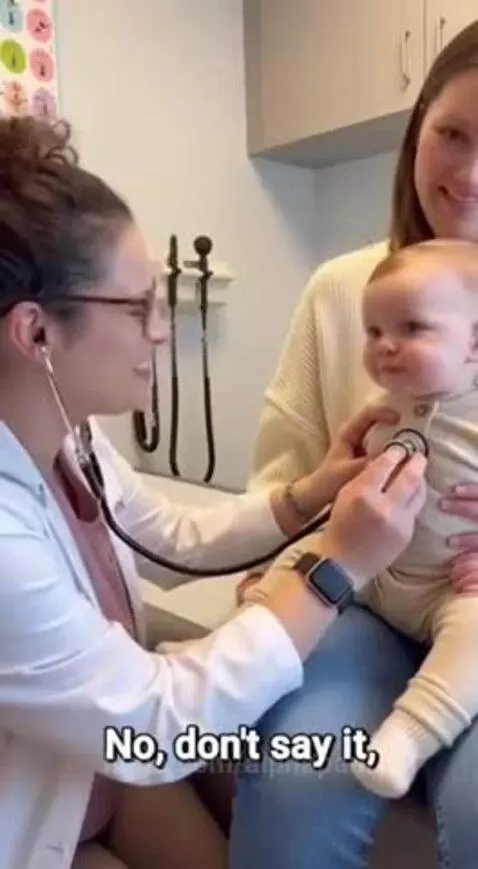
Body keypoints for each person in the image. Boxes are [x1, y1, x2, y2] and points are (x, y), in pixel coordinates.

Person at [0, 115, 427, 869]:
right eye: (137, 308)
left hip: (103, 771)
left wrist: (310, 495)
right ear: (36, 334)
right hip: (42, 807)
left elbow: (169, 537)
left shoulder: (71, 436)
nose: (161, 331)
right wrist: (336, 566)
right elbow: (158, 720)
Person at [233, 20, 478, 869]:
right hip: (362, 601)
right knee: (298, 775)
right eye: (453, 134)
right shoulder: (343, 289)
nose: (470, 172)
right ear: (417, 128)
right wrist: (281, 565)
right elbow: (281, 479)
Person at [338, 239, 478, 800]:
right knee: (303, 571)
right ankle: (226, 663)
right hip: (373, 579)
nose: (385, 347)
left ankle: (409, 735)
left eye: (412, 328)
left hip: (452, 590)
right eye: (373, 332)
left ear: (474, 344)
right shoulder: (379, 405)